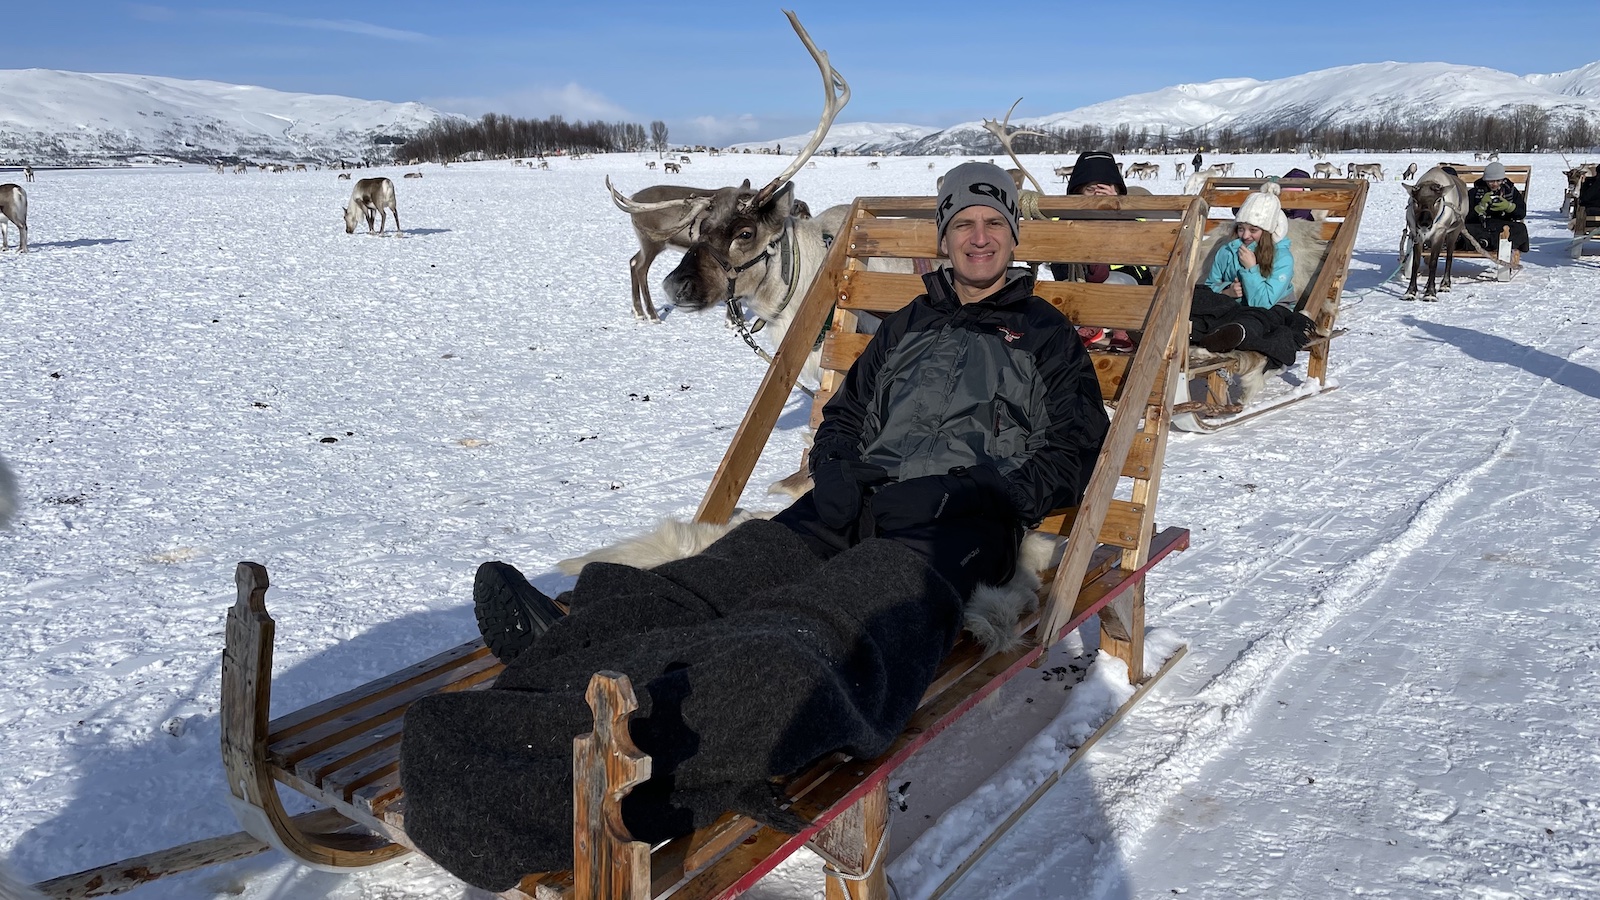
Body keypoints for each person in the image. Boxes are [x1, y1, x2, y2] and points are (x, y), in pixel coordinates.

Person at [396, 162, 1109, 893]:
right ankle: (565, 657)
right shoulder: (907, 324)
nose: (979, 238)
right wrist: (834, 474)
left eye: (993, 224)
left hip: (941, 530)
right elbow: (847, 417)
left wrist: (983, 494)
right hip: (848, 502)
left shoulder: (1045, 336)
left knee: (799, 638)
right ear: (946, 236)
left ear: (1013, 234)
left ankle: (630, 756)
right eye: (964, 224)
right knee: (707, 580)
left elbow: (1072, 451)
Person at [1189, 189, 1315, 368]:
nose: (1245, 235)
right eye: (1241, 228)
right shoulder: (1228, 250)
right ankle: (1195, 330)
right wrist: (1227, 291)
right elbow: (1210, 285)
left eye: (1253, 230)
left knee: (1256, 320)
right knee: (1198, 296)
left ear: (1268, 230)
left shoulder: (1283, 258)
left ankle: (1231, 335)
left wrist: (1251, 269)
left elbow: (1263, 302)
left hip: (1271, 310)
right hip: (1234, 306)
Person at [1048, 151, 1148, 352]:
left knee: (1116, 283)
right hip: (1080, 293)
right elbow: (1058, 265)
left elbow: (1142, 262)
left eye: (1104, 189)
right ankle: (1092, 326)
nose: (1097, 195)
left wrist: (1116, 209)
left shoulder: (1133, 220)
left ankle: (1116, 330)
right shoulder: (1065, 224)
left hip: (1125, 297)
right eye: (1090, 189)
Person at [1463, 161, 1528, 255]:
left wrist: (1509, 207)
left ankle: (1488, 243)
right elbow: (1465, 216)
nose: (1494, 184)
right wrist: (1480, 208)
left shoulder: (1511, 191)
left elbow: (1521, 213)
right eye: (1491, 181)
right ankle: (1493, 243)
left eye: (1498, 181)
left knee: (1520, 229)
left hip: (1503, 225)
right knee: (1464, 230)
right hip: (1481, 225)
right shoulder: (1475, 192)